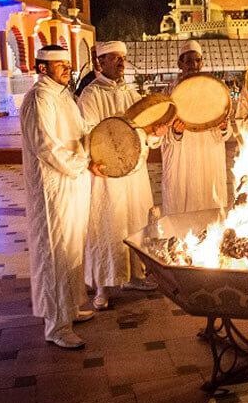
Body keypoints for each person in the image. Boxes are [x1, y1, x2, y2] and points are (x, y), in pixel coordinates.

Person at [77, 40, 167, 311]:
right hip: (107, 175)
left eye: (122, 58)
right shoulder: (91, 95)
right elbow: (88, 133)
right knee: (107, 227)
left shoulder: (132, 93)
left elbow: (145, 131)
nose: (120, 62)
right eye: (114, 58)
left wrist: (155, 133)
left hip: (134, 174)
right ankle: (102, 286)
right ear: (100, 62)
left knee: (136, 222)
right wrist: (97, 155)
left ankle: (135, 276)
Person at [20, 45, 97, 349]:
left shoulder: (64, 96)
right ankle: (57, 325)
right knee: (55, 253)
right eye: (60, 65)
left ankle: (70, 308)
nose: (68, 68)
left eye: (67, 63)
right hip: (53, 188)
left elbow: (82, 131)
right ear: (43, 68)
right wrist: (81, 163)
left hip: (74, 183)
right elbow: (46, 145)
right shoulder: (39, 98)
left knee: (72, 249)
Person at [161, 40, 232, 215]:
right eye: (188, 61)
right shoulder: (168, 95)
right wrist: (176, 133)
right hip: (182, 160)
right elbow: (160, 134)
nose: (193, 65)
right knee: (181, 209)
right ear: (180, 64)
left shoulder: (214, 90)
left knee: (211, 207)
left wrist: (223, 127)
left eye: (197, 60)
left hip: (209, 157)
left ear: (202, 63)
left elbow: (226, 131)